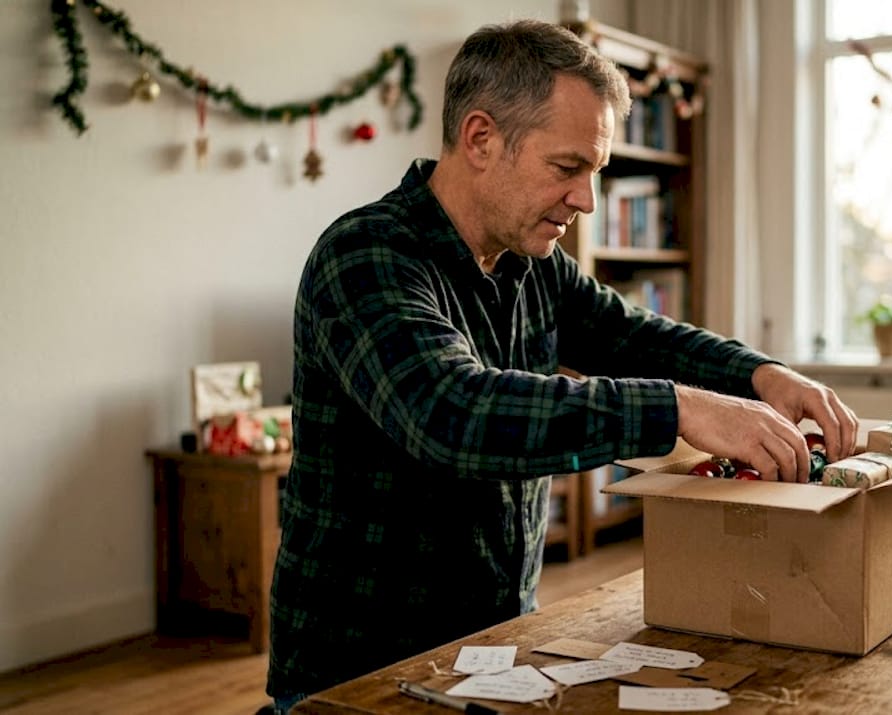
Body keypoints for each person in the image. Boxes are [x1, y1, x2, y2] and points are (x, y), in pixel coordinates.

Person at [266, 18, 859, 712]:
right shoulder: (365, 254)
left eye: (595, 172)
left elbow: (635, 336)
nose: (587, 200)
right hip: (351, 674)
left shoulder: (533, 265)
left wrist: (762, 376)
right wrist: (683, 409)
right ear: (481, 139)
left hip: (492, 650)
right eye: (567, 167)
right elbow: (454, 413)